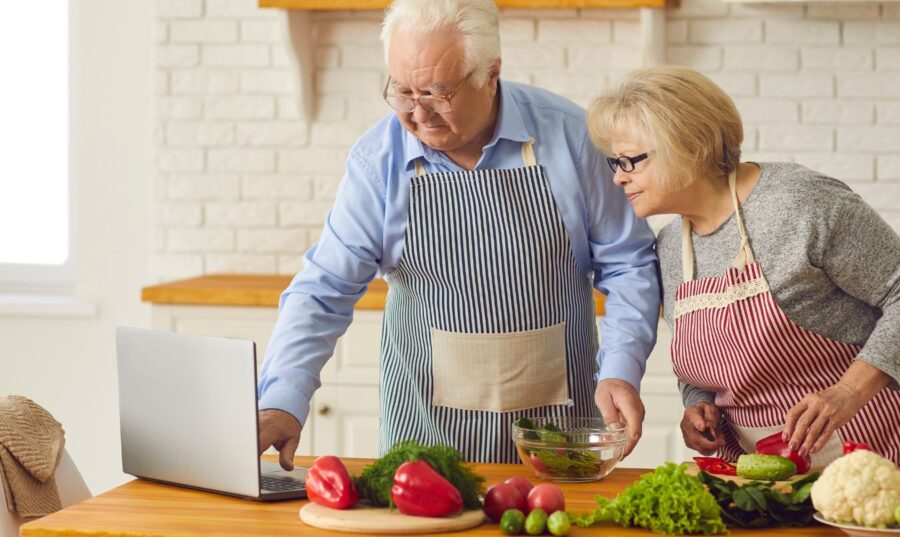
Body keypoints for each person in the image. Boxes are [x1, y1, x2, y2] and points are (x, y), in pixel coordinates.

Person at [256, 0, 661, 468]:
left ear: (490, 74)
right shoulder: (377, 162)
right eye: (402, 91)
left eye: (435, 92)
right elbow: (323, 290)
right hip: (423, 442)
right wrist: (283, 395)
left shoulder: (570, 137)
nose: (417, 113)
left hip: (558, 441)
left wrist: (620, 371)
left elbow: (628, 263)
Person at [587, 65, 900, 468]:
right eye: (616, 163)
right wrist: (698, 405)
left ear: (687, 145)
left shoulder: (801, 205)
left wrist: (847, 393)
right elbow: (703, 364)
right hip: (758, 483)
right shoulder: (669, 248)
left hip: (873, 463)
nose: (618, 179)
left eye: (630, 161)